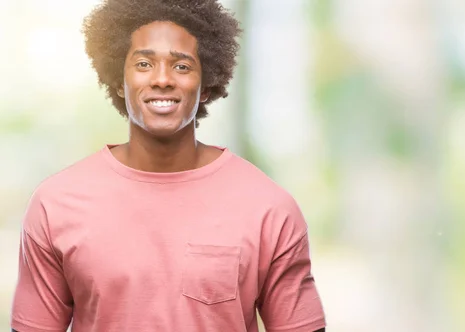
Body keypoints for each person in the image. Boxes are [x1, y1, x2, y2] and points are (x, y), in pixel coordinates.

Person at [10, 0, 326, 331]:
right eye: (144, 63)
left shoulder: (269, 208)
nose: (162, 79)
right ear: (120, 81)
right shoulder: (56, 204)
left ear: (206, 85)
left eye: (182, 67)